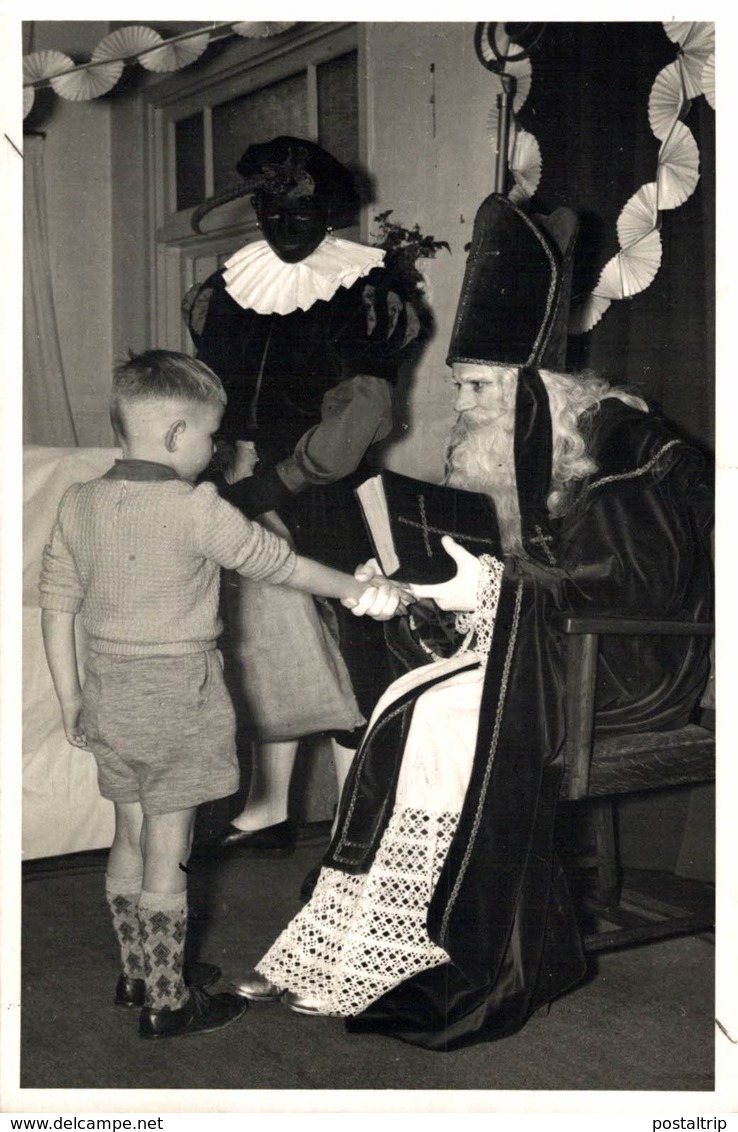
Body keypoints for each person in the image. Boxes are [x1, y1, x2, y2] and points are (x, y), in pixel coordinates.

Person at [227, 193, 713, 1050]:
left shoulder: (631, 452)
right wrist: (426, 588)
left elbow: (633, 589)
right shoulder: (526, 445)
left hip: (624, 668)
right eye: (462, 387)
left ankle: (435, 952)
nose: (467, 407)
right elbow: (513, 583)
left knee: (445, 718)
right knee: (401, 700)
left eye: (480, 387)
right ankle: (346, 949)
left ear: (538, 390)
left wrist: (482, 591)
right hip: (539, 651)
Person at [39, 349, 406, 1041]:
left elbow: (56, 603)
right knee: (169, 850)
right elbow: (281, 563)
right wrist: (360, 591)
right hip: (178, 695)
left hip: (107, 694)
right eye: (211, 436)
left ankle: (138, 973)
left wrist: (70, 700)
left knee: (130, 831)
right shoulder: (194, 507)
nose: (215, 450)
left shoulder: (79, 501)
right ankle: (168, 1000)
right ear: (179, 434)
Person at [184, 136, 427, 857]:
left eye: (302, 210)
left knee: (344, 648)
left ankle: (355, 827)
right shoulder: (224, 291)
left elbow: (360, 415)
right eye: (271, 209)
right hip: (235, 479)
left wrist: (280, 480)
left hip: (321, 487)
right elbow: (208, 394)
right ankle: (265, 810)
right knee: (259, 642)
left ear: (328, 213)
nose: (285, 224)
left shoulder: (365, 290)